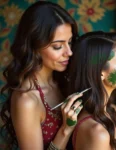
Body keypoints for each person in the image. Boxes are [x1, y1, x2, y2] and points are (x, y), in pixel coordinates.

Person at [0, 1, 83, 150]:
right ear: (34, 46)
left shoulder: (65, 79)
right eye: (57, 46)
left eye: (69, 42)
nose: (69, 52)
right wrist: (66, 129)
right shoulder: (27, 100)